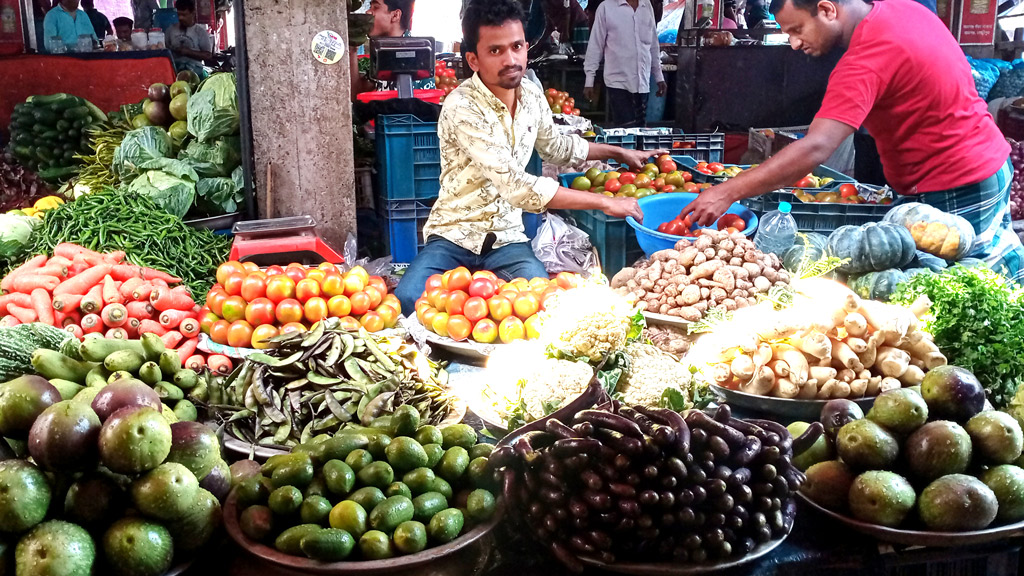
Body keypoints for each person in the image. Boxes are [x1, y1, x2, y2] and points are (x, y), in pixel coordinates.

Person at [680, 0, 1024, 281]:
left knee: (971, 290)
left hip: (954, 183)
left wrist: (727, 190)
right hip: (985, 165)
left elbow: (816, 146)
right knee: (1000, 270)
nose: (795, 44)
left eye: (797, 29)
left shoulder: (865, 59)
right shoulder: (903, 8)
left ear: (828, 10)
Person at [394, 0, 666, 313]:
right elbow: (517, 186)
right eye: (496, 51)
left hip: (507, 240)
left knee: (541, 309)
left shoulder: (532, 95)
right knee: (409, 300)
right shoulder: (462, 107)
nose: (511, 59)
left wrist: (617, 151)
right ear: (473, 59)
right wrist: (605, 201)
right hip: (454, 236)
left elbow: (557, 147)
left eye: (517, 46)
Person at [583, 0, 667, 127]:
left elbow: (653, 44)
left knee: (640, 132)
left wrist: (659, 76)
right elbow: (595, 45)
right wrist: (589, 80)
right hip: (617, 83)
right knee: (626, 130)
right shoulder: (606, 7)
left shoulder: (646, 6)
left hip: (642, 82)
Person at [349, 0, 434, 100]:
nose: (368, 12)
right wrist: (353, 50)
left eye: (375, 7)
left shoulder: (417, 54)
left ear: (395, 15)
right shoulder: (381, 51)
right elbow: (356, 94)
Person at [166, 0, 213, 75]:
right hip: (175, 71)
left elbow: (208, 55)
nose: (181, 18)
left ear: (193, 13)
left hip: (195, 72)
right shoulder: (170, 30)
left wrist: (188, 52)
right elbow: (165, 50)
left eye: (184, 15)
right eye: (179, 15)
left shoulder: (200, 32)